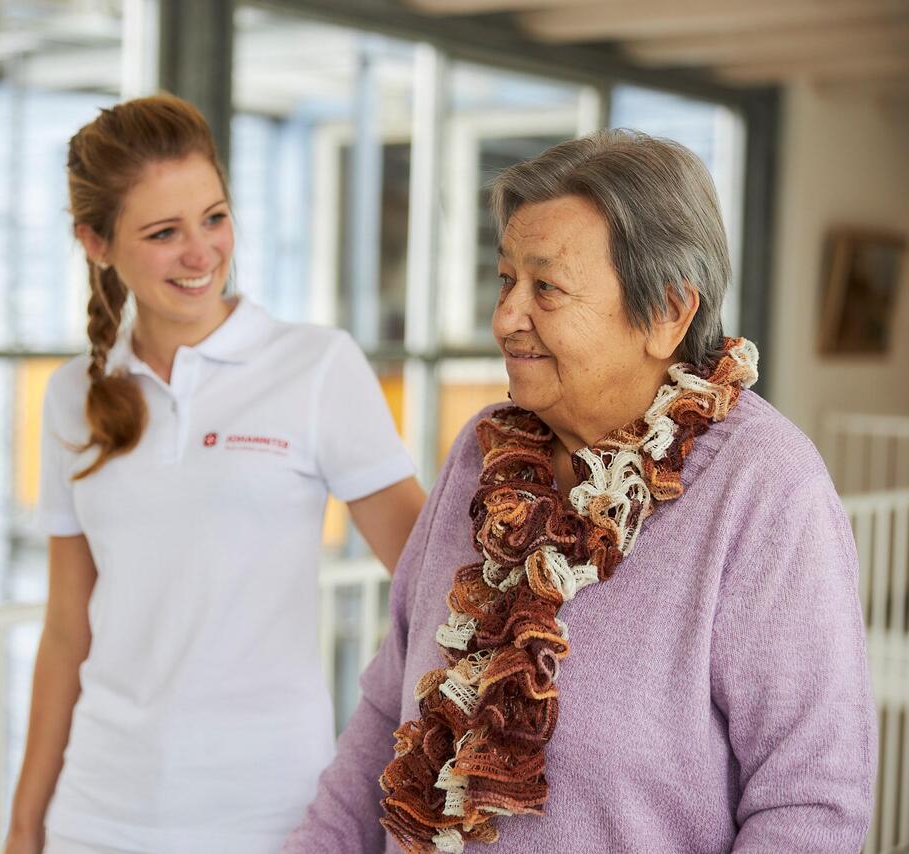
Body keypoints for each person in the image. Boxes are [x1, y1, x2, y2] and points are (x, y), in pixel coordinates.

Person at [286, 129, 876, 853]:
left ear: (666, 313)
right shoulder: (480, 455)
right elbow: (383, 720)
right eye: (505, 280)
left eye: (547, 288)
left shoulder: (766, 488)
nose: (505, 317)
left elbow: (809, 806)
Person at [2, 94, 426, 854]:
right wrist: (25, 825)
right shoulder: (73, 397)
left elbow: (432, 586)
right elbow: (67, 632)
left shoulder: (317, 366)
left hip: (271, 817)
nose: (202, 254)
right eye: (164, 233)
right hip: (96, 817)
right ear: (95, 243)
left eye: (215, 217)